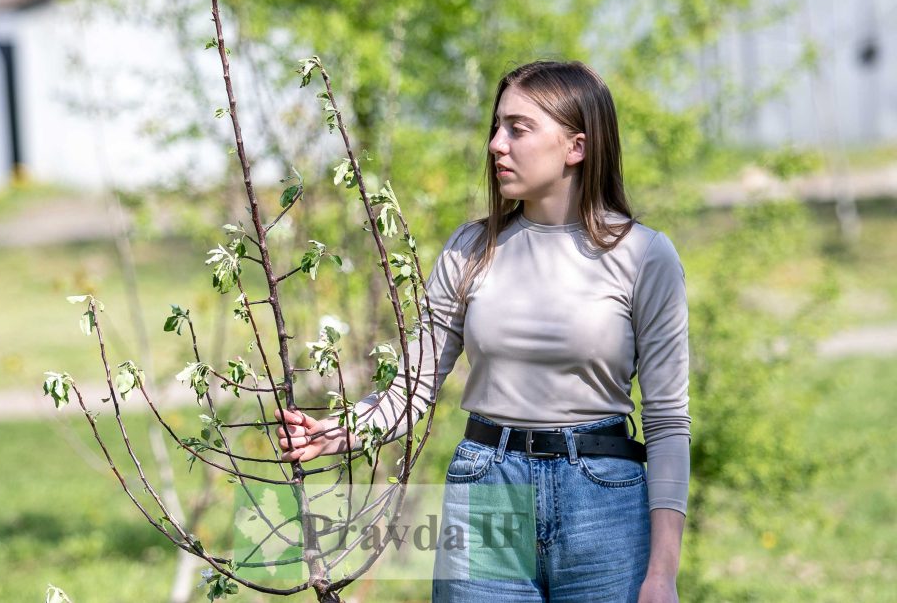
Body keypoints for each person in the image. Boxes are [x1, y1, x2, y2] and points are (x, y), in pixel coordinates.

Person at [276, 60, 689, 603]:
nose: (497, 144)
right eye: (496, 127)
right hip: (487, 491)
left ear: (577, 147)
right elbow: (413, 387)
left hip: (605, 500)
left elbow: (666, 422)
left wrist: (662, 574)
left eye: (519, 129)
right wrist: (339, 432)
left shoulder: (643, 256)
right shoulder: (471, 250)